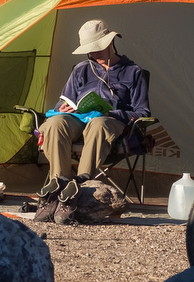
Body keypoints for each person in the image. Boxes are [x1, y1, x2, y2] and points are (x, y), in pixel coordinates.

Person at [38, 19, 150, 183]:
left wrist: (110, 113)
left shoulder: (133, 72)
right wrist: (61, 109)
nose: (94, 54)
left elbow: (143, 112)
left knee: (98, 123)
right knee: (55, 123)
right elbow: (63, 102)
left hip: (110, 122)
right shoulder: (81, 69)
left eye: (97, 48)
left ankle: (82, 182)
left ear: (110, 41)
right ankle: (59, 183)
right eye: (90, 50)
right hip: (79, 119)